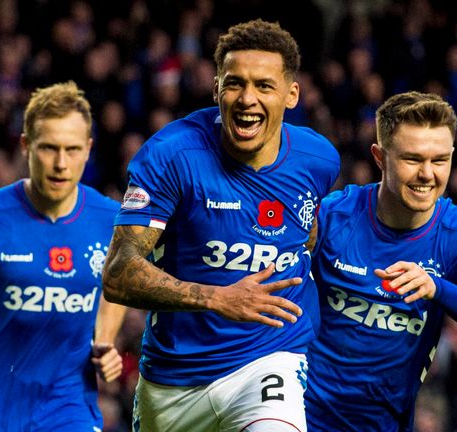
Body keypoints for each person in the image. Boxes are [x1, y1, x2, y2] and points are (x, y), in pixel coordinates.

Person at [101, 19, 340, 432]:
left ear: (291, 94)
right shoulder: (172, 155)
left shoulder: (318, 160)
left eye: (264, 85)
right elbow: (118, 273)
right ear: (216, 89)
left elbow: (307, 227)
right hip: (173, 384)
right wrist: (217, 297)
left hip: (270, 361)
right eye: (235, 83)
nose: (247, 99)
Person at [0, 81, 125, 431]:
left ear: (89, 149)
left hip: (69, 410)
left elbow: (117, 283)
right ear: (26, 146)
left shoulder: (110, 220)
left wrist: (104, 340)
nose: (61, 163)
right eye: (49, 148)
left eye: (73, 150)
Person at [304, 91, 457, 431]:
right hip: (303, 414)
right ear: (380, 157)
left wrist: (436, 287)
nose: (427, 174)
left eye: (440, 160)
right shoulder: (334, 217)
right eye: (413, 159)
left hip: (386, 423)